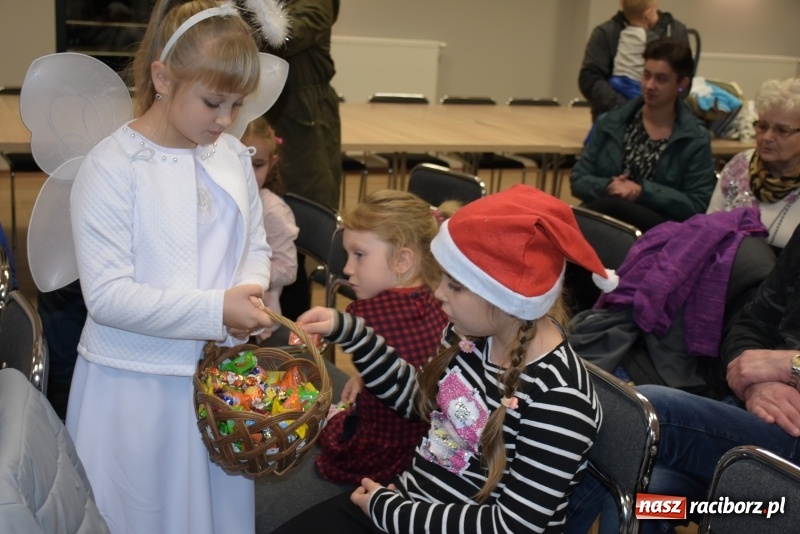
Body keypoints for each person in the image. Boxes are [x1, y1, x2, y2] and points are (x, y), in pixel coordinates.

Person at [278, 185, 620, 533]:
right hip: (412, 505)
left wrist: (393, 513)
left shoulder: (560, 398)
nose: (438, 293)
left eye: (455, 286)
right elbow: (417, 402)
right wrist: (350, 331)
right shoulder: (468, 337)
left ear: (503, 298)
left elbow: (514, 524)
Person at [64, 1, 286, 532]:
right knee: (143, 512)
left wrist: (249, 291)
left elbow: (254, 243)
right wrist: (218, 310)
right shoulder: (114, 167)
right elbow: (110, 297)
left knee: (214, 509)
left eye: (237, 104)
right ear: (162, 77)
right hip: (137, 386)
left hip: (217, 385)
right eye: (213, 102)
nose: (228, 120)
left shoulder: (230, 157)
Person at [568, 221, 800, 534]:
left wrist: (790, 365)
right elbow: (751, 324)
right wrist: (757, 382)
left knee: (643, 412)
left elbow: (781, 358)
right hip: (754, 432)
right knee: (644, 494)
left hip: (787, 467)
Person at [315, 190, 457, 485]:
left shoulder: (369, 315)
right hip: (427, 447)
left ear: (403, 260)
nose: (347, 268)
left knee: (318, 421)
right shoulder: (438, 296)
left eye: (359, 255)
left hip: (380, 453)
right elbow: (403, 364)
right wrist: (366, 375)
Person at [571, 37, 716, 232]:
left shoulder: (696, 138)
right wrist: (610, 186)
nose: (649, 85)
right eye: (646, 75)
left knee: (606, 210)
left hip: (658, 231)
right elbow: (578, 179)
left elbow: (697, 204)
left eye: (661, 79)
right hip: (604, 219)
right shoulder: (611, 122)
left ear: (681, 84)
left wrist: (642, 192)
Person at [265, 0, 342, 321]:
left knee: (296, 231)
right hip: (266, 109)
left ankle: (295, 335)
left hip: (302, 121)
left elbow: (283, 35)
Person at [707, 77, 800, 249]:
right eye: (762, 126)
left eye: (782, 130)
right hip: (729, 271)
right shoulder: (739, 166)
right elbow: (708, 229)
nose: (767, 137)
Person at [579, 0, 689, 122]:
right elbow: (589, 80)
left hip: (664, 121)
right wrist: (628, 108)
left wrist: (660, 108)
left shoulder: (675, 31)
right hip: (613, 118)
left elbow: (684, 84)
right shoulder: (606, 33)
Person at [242, 116, 299, 322]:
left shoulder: (272, 211)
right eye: (241, 162)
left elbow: (288, 269)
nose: (248, 173)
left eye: (257, 165)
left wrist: (248, 274)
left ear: (272, 162)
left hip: (261, 320)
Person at [609, 0, 659, 100]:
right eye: (656, 11)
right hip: (634, 85)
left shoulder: (624, 33)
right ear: (648, 14)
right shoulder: (649, 37)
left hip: (615, 82)